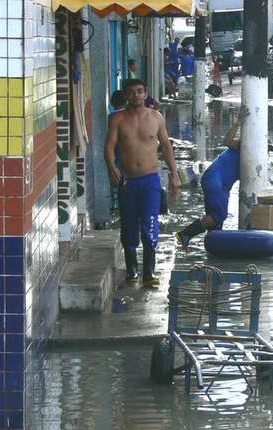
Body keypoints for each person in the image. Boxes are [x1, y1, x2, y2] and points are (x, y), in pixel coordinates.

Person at [104, 79, 179, 286]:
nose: (136, 95)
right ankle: (132, 269)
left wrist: (174, 175)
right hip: (128, 182)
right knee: (128, 227)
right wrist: (112, 167)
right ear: (126, 95)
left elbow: (166, 146)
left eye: (140, 91)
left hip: (150, 181)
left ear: (146, 94)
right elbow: (109, 146)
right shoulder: (117, 119)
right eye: (131, 92)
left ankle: (149, 273)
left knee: (150, 223)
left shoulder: (156, 118)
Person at [175, 107, 248, 248]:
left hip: (218, 183)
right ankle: (185, 234)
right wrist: (238, 122)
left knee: (216, 220)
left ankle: (212, 249)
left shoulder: (253, 156)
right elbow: (227, 141)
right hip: (215, 180)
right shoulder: (243, 146)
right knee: (219, 215)